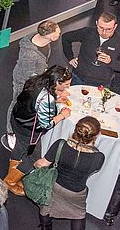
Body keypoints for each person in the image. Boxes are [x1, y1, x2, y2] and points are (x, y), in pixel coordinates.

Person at [5, 66, 72, 196]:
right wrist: (62, 115)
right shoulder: (47, 98)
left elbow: (32, 101)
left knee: (19, 149)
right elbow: (47, 124)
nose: (68, 87)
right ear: (57, 82)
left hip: (17, 119)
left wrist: (56, 100)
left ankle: (13, 171)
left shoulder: (34, 78)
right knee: (33, 158)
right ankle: (10, 181)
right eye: (67, 84)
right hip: (28, 130)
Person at [34, 116, 104, 230]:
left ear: (76, 129)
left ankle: (46, 227)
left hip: (54, 186)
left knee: (46, 208)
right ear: (96, 135)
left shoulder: (60, 145)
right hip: (77, 191)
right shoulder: (98, 157)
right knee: (78, 214)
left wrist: (36, 164)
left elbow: (42, 164)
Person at [3, 20, 60, 151]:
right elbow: (29, 77)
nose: (59, 33)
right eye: (57, 32)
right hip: (23, 83)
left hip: (35, 78)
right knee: (15, 103)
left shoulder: (40, 39)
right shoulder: (29, 55)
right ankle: (10, 132)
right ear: (49, 35)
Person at [62, 11, 120, 88]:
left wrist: (110, 61)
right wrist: (70, 58)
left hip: (100, 83)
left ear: (115, 26)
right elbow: (66, 37)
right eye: (101, 28)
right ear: (96, 23)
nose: (104, 32)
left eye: (108, 29)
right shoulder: (87, 32)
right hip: (78, 77)